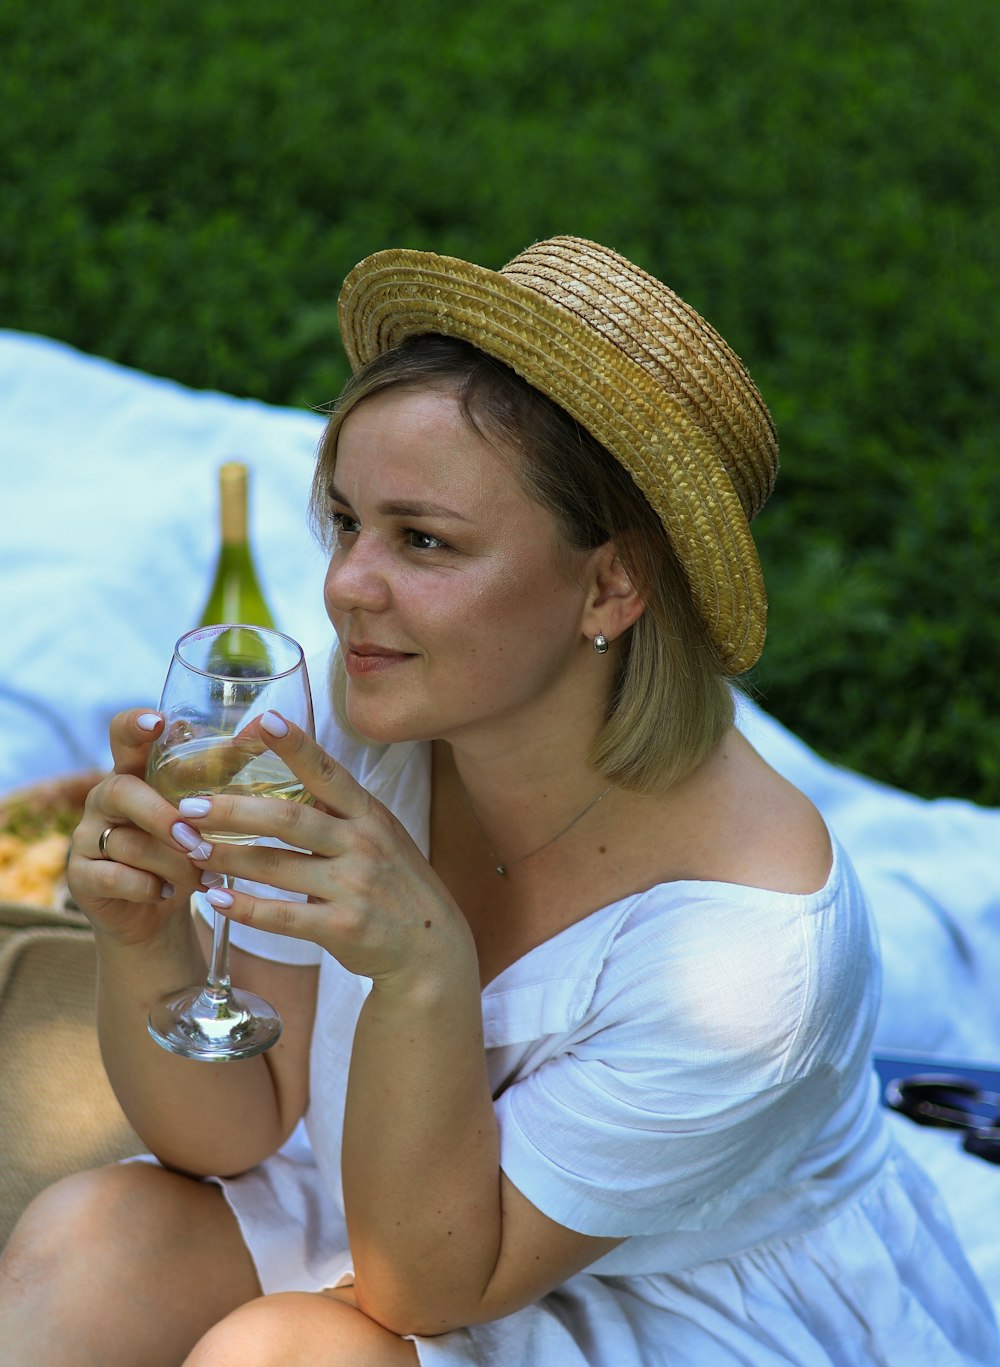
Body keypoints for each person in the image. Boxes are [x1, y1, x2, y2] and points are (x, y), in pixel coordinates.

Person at [0, 236, 996, 1367]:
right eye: (344, 522)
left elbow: (425, 1282)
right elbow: (231, 1128)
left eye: (422, 539)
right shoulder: (367, 719)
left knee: (284, 1354)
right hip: (393, 1186)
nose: (344, 586)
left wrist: (423, 965)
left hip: (670, 1294)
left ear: (610, 582)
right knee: (97, 1238)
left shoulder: (747, 954)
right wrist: (149, 939)